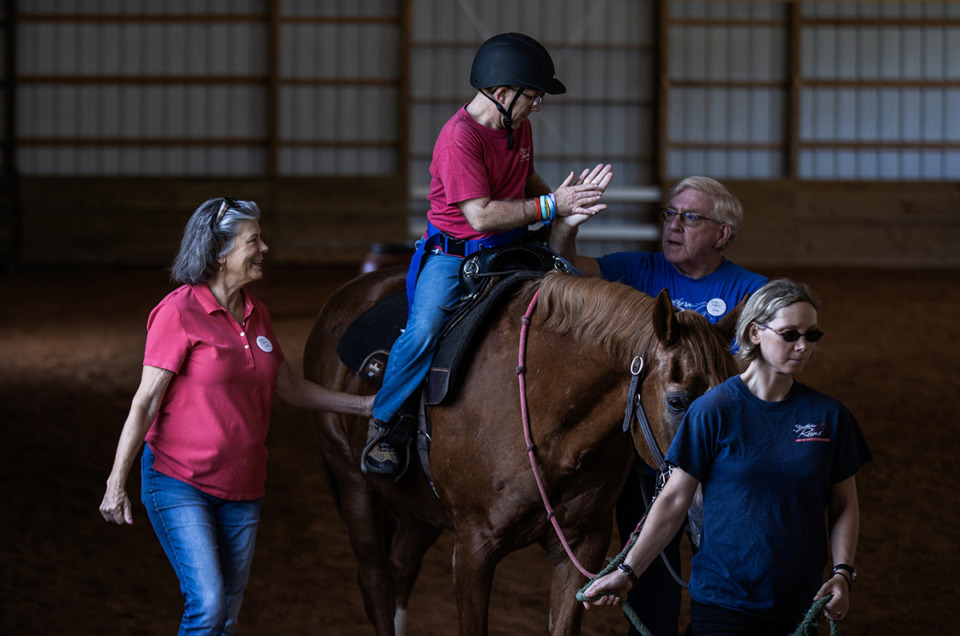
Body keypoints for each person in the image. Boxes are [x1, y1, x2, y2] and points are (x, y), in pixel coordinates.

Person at [99, 197, 373, 635]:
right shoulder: (178, 312)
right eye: (254, 240)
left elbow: (289, 388)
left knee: (226, 613)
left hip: (244, 484)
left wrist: (364, 405)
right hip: (178, 479)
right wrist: (116, 483)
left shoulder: (256, 313)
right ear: (219, 252)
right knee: (207, 604)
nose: (265, 247)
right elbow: (145, 402)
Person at [362, 32, 613, 481]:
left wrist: (557, 196)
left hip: (512, 244)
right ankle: (384, 421)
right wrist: (554, 206)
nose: (536, 106)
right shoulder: (459, 139)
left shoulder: (516, 124)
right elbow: (479, 215)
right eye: (531, 98)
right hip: (455, 255)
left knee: (573, 295)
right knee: (423, 332)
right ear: (501, 94)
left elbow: (526, 175)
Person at [582, 278, 873, 636]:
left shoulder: (830, 416)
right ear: (754, 333)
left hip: (800, 603)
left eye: (811, 335)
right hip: (723, 604)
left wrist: (843, 573)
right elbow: (674, 499)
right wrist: (628, 572)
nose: (802, 346)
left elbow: (845, 505)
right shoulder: (712, 410)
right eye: (789, 334)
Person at [550, 175, 768, 636]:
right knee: (652, 588)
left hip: (721, 463)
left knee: (728, 574)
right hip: (651, 459)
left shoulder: (753, 293)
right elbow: (566, 266)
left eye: (690, 218)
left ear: (722, 234)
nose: (674, 225)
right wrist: (567, 222)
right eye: (670, 214)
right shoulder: (637, 271)